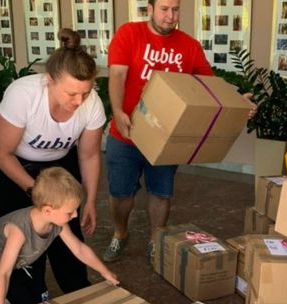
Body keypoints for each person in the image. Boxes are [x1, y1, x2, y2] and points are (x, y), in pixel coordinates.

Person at [0, 28, 105, 295]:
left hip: (57, 162)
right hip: (9, 160)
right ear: (49, 80)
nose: (79, 101)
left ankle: (76, 289)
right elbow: (2, 153)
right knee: (25, 230)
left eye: (85, 93)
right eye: (71, 93)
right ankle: (29, 291)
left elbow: (89, 154)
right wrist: (36, 192)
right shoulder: (24, 95)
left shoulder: (91, 103)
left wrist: (91, 200)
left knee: (66, 223)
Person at [102, 0, 215, 263]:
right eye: (164, 9)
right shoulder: (129, 34)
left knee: (161, 192)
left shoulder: (189, 45)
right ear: (150, 9)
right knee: (120, 193)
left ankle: (156, 239)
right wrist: (118, 112)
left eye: (175, 10)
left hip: (166, 138)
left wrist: (235, 100)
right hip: (126, 133)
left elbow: (209, 84)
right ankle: (120, 233)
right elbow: (117, 76)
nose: (170, 16)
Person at [0, 167, 119, 304]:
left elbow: (79, 249)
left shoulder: (58, 222)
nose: (75, 215)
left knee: (42, 299)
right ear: (48, 211)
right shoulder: (18, 232)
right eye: (70, 212)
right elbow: (4, 273)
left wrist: (104, 272)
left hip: (24, 262)